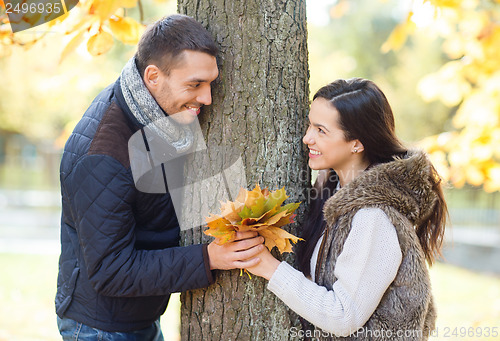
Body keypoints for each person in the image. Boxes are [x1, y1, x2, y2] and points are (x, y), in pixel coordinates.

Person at [55, 14, 265, 339]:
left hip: (140, 316)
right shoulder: (105, 157)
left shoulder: (157, 111)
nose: (207, 99)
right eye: (195, 85)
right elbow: (111, 271)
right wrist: (207, 258)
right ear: (153, 76)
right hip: (101, 327)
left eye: (211, 83)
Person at [247, 78, 447, 340]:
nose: (307, 137)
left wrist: (268, 267)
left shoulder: (372, 216)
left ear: (357, 143)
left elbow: (344, 315)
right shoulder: (334, 195)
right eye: (310, 124)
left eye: (321, 130)